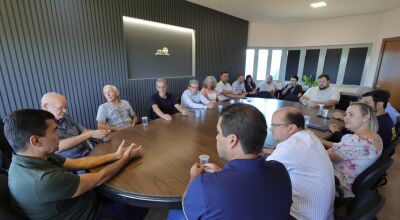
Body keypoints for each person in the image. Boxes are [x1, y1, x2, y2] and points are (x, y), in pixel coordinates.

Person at [4, 109, 148, 220]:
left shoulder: (30, 158)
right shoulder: (42, 180)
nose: (59, 136)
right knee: (138, 204)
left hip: (81, 200)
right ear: (35, 141)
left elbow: (79, 163)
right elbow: (99, 178)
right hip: (87, 214)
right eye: (55, 131)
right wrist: (125, 158)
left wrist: (116, 155)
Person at [183, 104, 292, 219]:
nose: (216, 137)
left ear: (232, 140)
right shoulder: (280, 170)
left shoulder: (205, 186)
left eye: (219, 132)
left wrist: (194, 178)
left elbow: (186, 208)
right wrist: (221, 174)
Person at [266, 107, 335, 220]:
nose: (271, 129)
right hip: (322, 213)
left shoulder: (290, 146)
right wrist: (265, 151)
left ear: (292, 127)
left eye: (275, 125)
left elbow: (261, 172)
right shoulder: (309, 136)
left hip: (301, 216)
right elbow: (290, 157)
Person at [321, 103, 383, 198]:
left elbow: (321, 157)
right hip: (354, 184)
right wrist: (320, 140)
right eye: (346, 114)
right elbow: (345, 149)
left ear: (365, 118)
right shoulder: (375, 137)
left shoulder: (355, 141)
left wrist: (310, 140)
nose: (345, 118)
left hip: (338, 185)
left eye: (351, 114)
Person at [41, 92, 110, 158]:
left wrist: (98, 133)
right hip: (72, 160)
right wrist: (88, 135)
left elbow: (83, 130)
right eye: (60, 108)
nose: (65, 111)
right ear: (46, 106)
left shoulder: (64, 116)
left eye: (65, 107)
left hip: (87, 150)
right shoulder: (41, 125)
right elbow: (59, 146)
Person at [330, 90, 396, 148]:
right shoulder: (385, 118)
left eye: (366, 103)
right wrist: (343, 128)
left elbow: (354, 144)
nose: (361, 106)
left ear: (379, 105)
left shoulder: (378, 124)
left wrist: (337, 132)